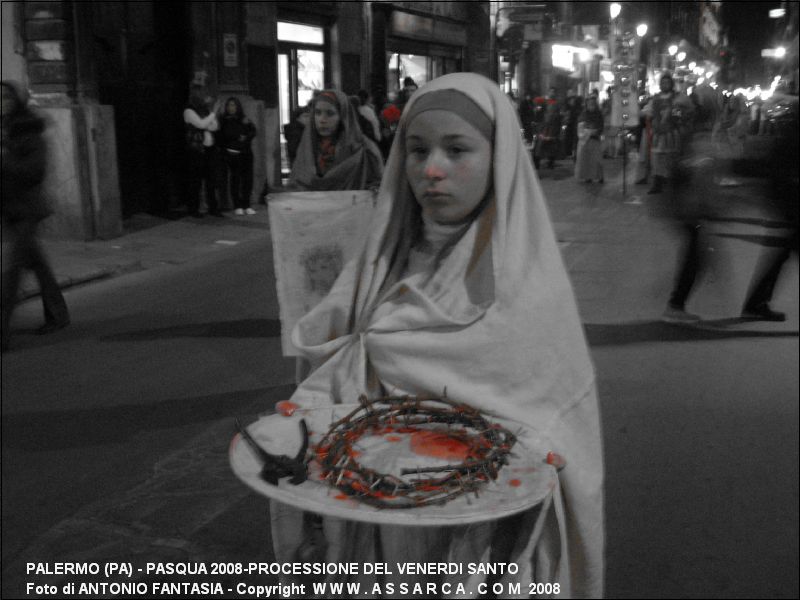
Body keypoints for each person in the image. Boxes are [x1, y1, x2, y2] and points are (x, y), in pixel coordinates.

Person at [270, 73, 604, 597]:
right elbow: (329, 373)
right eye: (418, 149)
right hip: (377, 523)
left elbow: (553, 426)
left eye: (457, 150)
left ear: (498, 157)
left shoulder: (528, 289)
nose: (432, 170)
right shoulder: (378, 264)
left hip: (477, 543)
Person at [2, 80, 70, 351]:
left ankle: (2, 332)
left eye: (6, 97)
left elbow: (35, 171)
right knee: (37, 264)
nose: (2, 102)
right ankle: (59, 314)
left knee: (13, 271)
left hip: (27, 208)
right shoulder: (7, 129)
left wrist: (4, 160)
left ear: (17, 100)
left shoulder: (29, 130)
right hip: (9, 207)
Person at [740, 95, 798, 321]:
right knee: (781, 256)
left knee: (780, 256)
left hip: (787, 203)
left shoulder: (788, 134)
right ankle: (755, 302)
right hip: (791, 203)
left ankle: (755, 302)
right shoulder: (793, 137)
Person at [288, 89, 383, 191]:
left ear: (342, 116)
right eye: (317, 113)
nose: (322, 120)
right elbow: (297, 184)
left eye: (330, 114)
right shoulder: (307, 147)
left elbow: (377, 184)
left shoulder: (363, 149)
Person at [641, 72, 694, 195]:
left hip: (671, 132)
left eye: (667, 82)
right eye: (663, 82)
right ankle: (657, 184)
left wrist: (678, 115)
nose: (665, 84)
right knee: (657, 159)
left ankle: (672, 183)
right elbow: (647, 112)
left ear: (671, 83)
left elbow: (689, 110)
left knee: (671, 158)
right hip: (658, 133)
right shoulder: (655, 99)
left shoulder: (679, 98)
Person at [183, 85, 221, 217]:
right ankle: (194, 209)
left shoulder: (206, 111)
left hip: (209, 149)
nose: (206, 98)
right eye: (203, 95)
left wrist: (210, 114)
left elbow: (214, 127)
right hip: (197, 150)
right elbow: (201, 125)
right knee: (196, 181)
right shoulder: (189, 111)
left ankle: (213, 208)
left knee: (211, 181)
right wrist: (213, 113)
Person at [216, 97, 257, 215]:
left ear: (237, 106)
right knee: (235, 179)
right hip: (232, 153)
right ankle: (237, 205)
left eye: (233, 105)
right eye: (229, 105)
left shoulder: (244, 118)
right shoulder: (223, 120)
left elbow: (253, 131)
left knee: (247, 179)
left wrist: (246, 138)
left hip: (246, 152)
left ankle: (247, 204)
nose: (231, 108)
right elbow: (221, 136)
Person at [574, 94, 605, 183]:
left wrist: (596, 131)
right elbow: (580, 124)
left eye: (593, 103)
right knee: (586, 159)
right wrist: (586, 130)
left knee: (596, 159)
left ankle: (599, 176)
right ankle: (588, 176)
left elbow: (601, 126)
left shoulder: (598, 114)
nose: (591, 105)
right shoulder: (583, 114)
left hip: (595, 139)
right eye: (589, 103)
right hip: (585, 140)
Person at [535, 87, 562, 169]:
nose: (552, 93)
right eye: (551, 92)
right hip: (544, 126)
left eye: (553, 92)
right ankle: (537, 162)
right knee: (540, 144)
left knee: (552, 145)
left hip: (553, 126)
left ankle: (551, 162)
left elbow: (559, 114)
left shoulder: (557, 103)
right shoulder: (544, 101)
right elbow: (538, 110)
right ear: (548, 92)